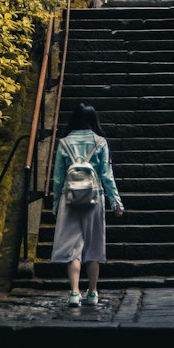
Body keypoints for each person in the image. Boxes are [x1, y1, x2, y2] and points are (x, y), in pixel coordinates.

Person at [51, 102, 123, 308]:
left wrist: (56, 205)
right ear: (93, 120)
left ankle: (74, 293)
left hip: (70, 199)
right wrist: (115, 202)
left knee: (73, 248)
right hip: (95, 198)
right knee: (93, 246)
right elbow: (107, 176)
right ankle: (92, 292)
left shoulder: (63, 142)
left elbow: (58, 178)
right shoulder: (100, 142)